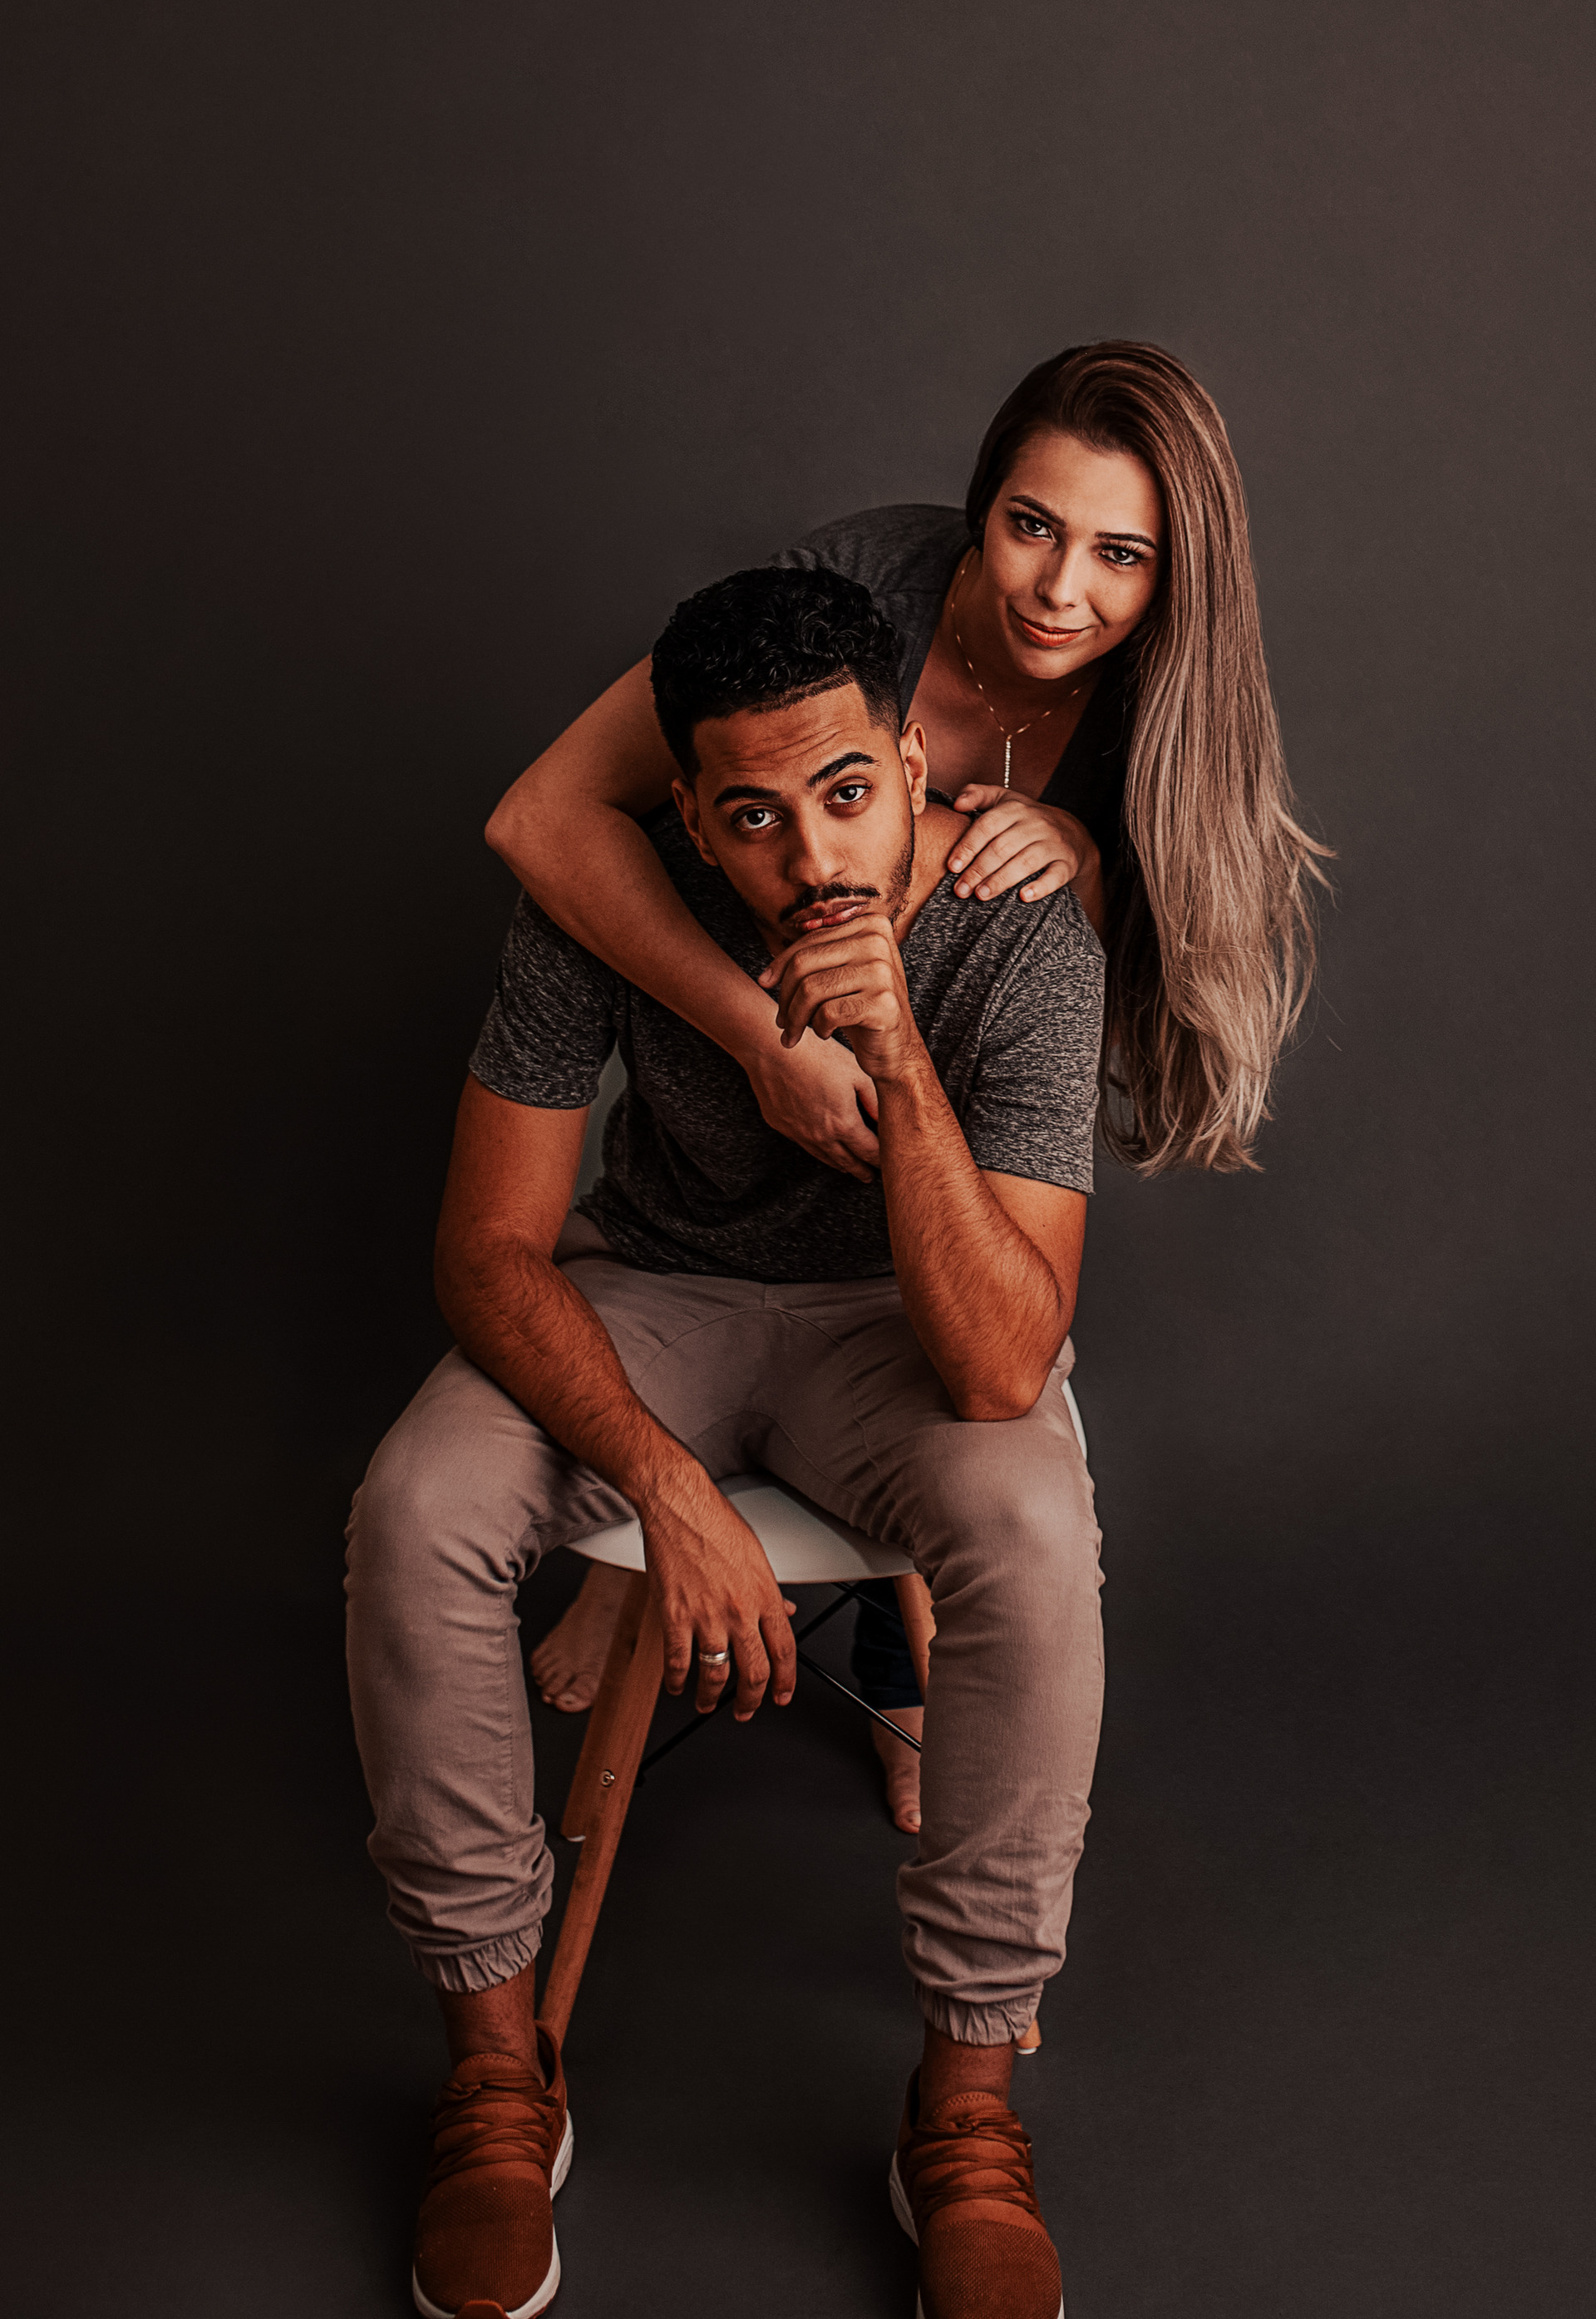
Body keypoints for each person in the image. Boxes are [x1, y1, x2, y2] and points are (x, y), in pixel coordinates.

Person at [346, 563, 1105, 2319]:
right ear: (690, 815)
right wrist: (666, 1489)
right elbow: (487, 1251)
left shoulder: (1022, 938)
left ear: (909, 766)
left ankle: (966, 2108)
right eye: (753, 818)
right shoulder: (603, 910)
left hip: (900, 1326)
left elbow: (1002, 1362)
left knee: (1036, 1534)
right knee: (416, 1505)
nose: (812, 858)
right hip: (655, 1296)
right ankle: (495, 2076)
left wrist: (897, 1056)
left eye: (846, 794)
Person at [490, 340, 1327, 1828]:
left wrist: (1090, 865)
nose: (1059, 591)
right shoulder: (862, 586)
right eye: (1030, 527)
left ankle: (898, 1653)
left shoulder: (1167, 703)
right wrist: (763, 1040)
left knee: (962, 1339)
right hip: (752, 1035)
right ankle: (645, 1541)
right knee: (724, 1253)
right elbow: (544, 820)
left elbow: (1151, 963)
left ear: (1176, 575)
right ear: (978, 504)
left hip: (957, 1071)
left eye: (1122, 556)